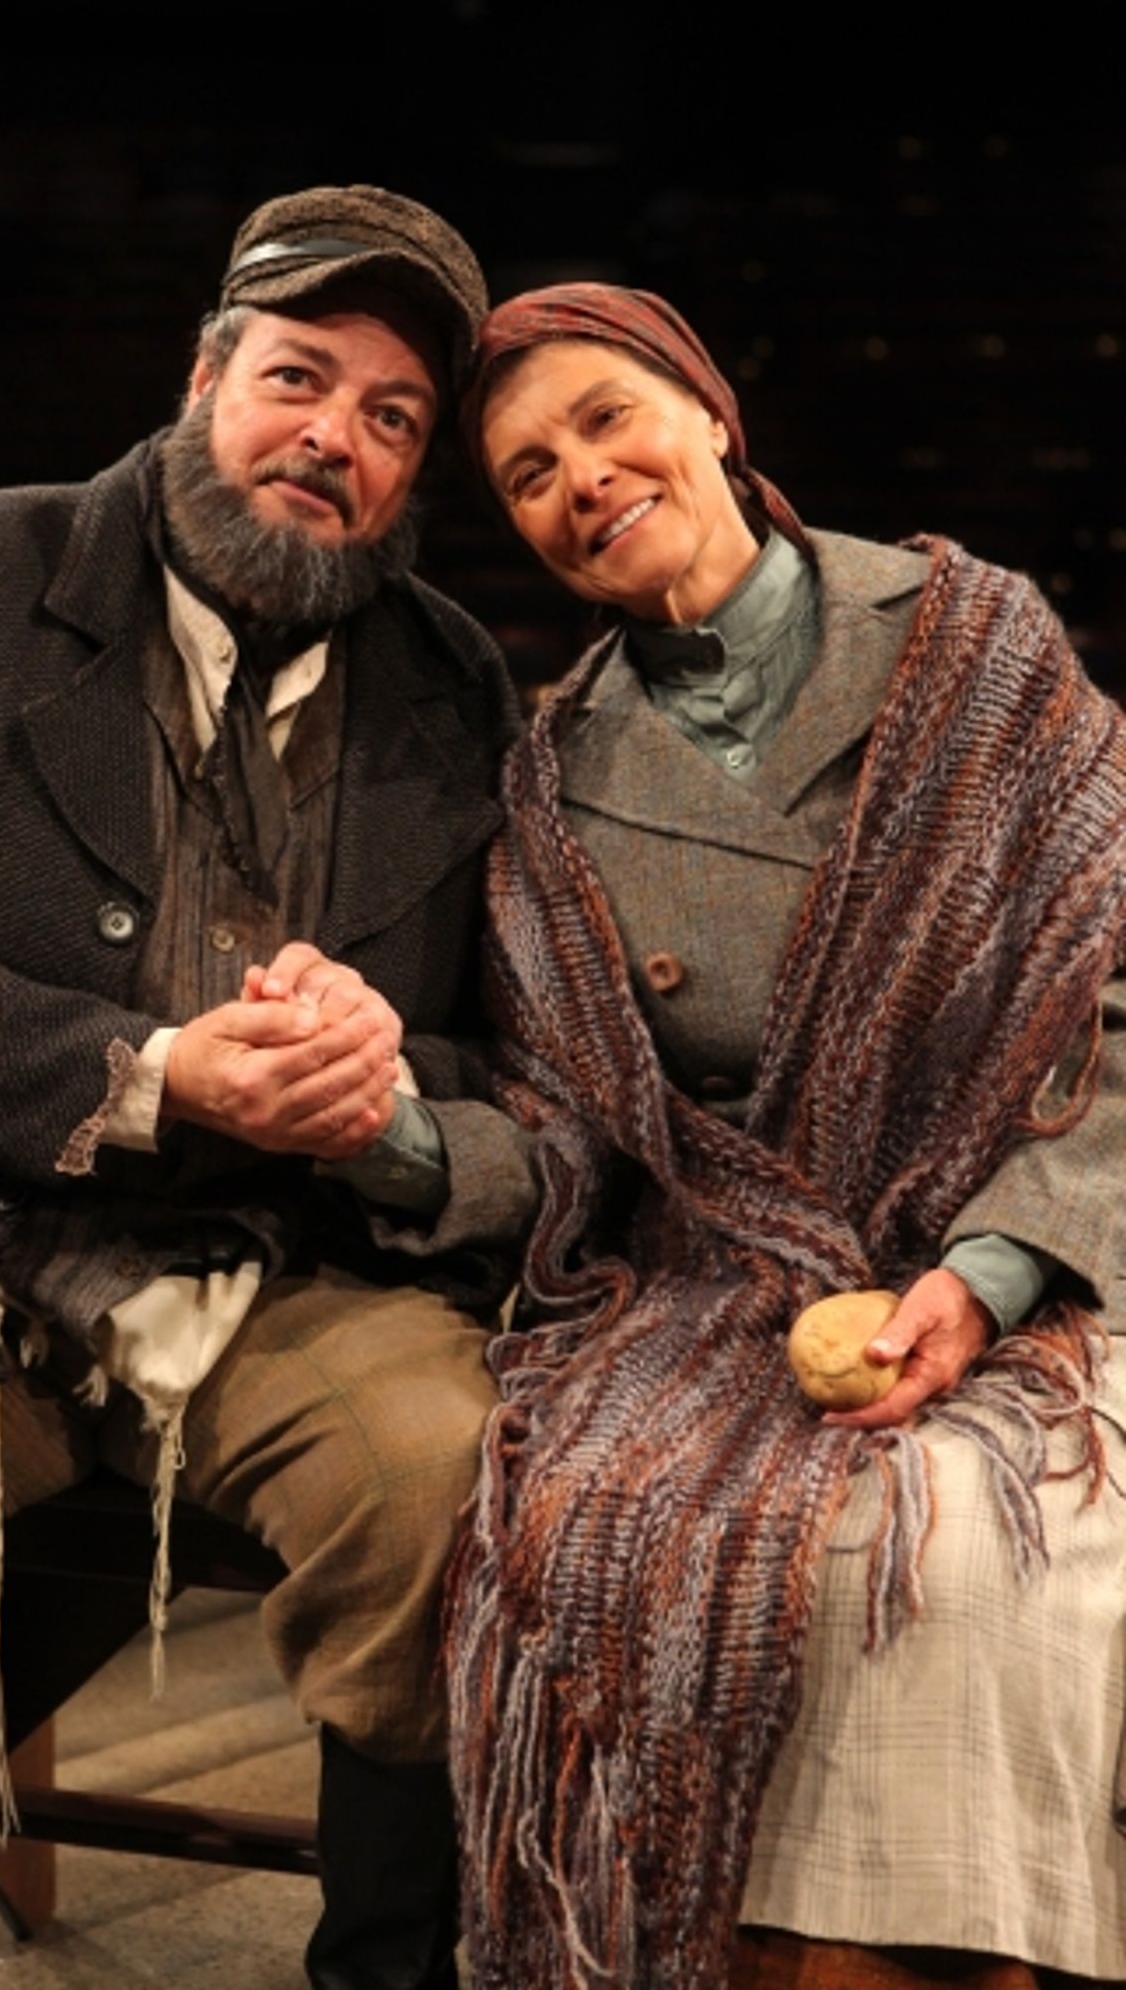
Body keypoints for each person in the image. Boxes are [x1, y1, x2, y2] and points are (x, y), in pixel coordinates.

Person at [0, 184, 537, 1990]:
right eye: (298, 378)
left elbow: (522, 1070)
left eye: (393, 418)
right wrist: (157, 1075)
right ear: (203, 376)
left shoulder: (457, 685)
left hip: (290, 1265)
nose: (333, 438)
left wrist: (381, 1088)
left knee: (460, 1499)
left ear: (417, 478)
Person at [443, 283, 1126, 1990]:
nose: (580, 479)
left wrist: (982, 1276)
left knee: (960, 1558)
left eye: (607, 420)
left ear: (712, 412)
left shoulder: (977, 644)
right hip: (721, 1284)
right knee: (603, 1532)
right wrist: (391, 1131)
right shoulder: (551, 778)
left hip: (1044, 1258)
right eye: (529, 474)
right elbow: (571, 1132)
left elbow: (1110, 1016)